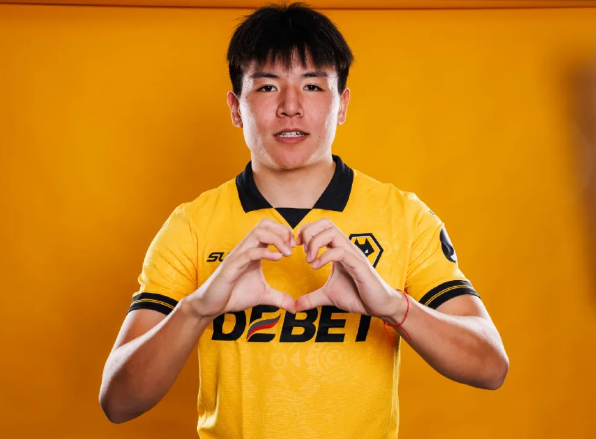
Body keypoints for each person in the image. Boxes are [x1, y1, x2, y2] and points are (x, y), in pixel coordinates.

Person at [99, 2, 509, 437]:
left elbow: (490, 367)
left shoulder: (405, 218)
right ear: (236, 107)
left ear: (342, 104)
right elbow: (118, 401)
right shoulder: (191, 226)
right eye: (268, 86)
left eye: (312, 86)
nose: (290, 106)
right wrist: (198, 308)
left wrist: (393, 307)